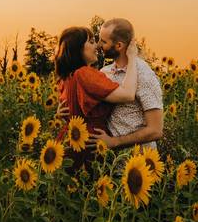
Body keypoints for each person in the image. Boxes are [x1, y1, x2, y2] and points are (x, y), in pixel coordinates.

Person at [54, 26, 139, 171]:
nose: (97, 46)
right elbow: (128, 94)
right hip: (90, 146)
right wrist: (132, 59)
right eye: (92, 42)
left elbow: (71, 110)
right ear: (78, 48)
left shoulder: (66, 77)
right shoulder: (86, 74)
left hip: (68, 142)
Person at [89, 18, 164, 151]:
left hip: (139, 164)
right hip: (108, 163)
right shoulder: (105, 72)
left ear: (119, 46)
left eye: (104, 41)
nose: (99, 45)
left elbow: (155, 130)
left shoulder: (143, 74)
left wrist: (114, 142)